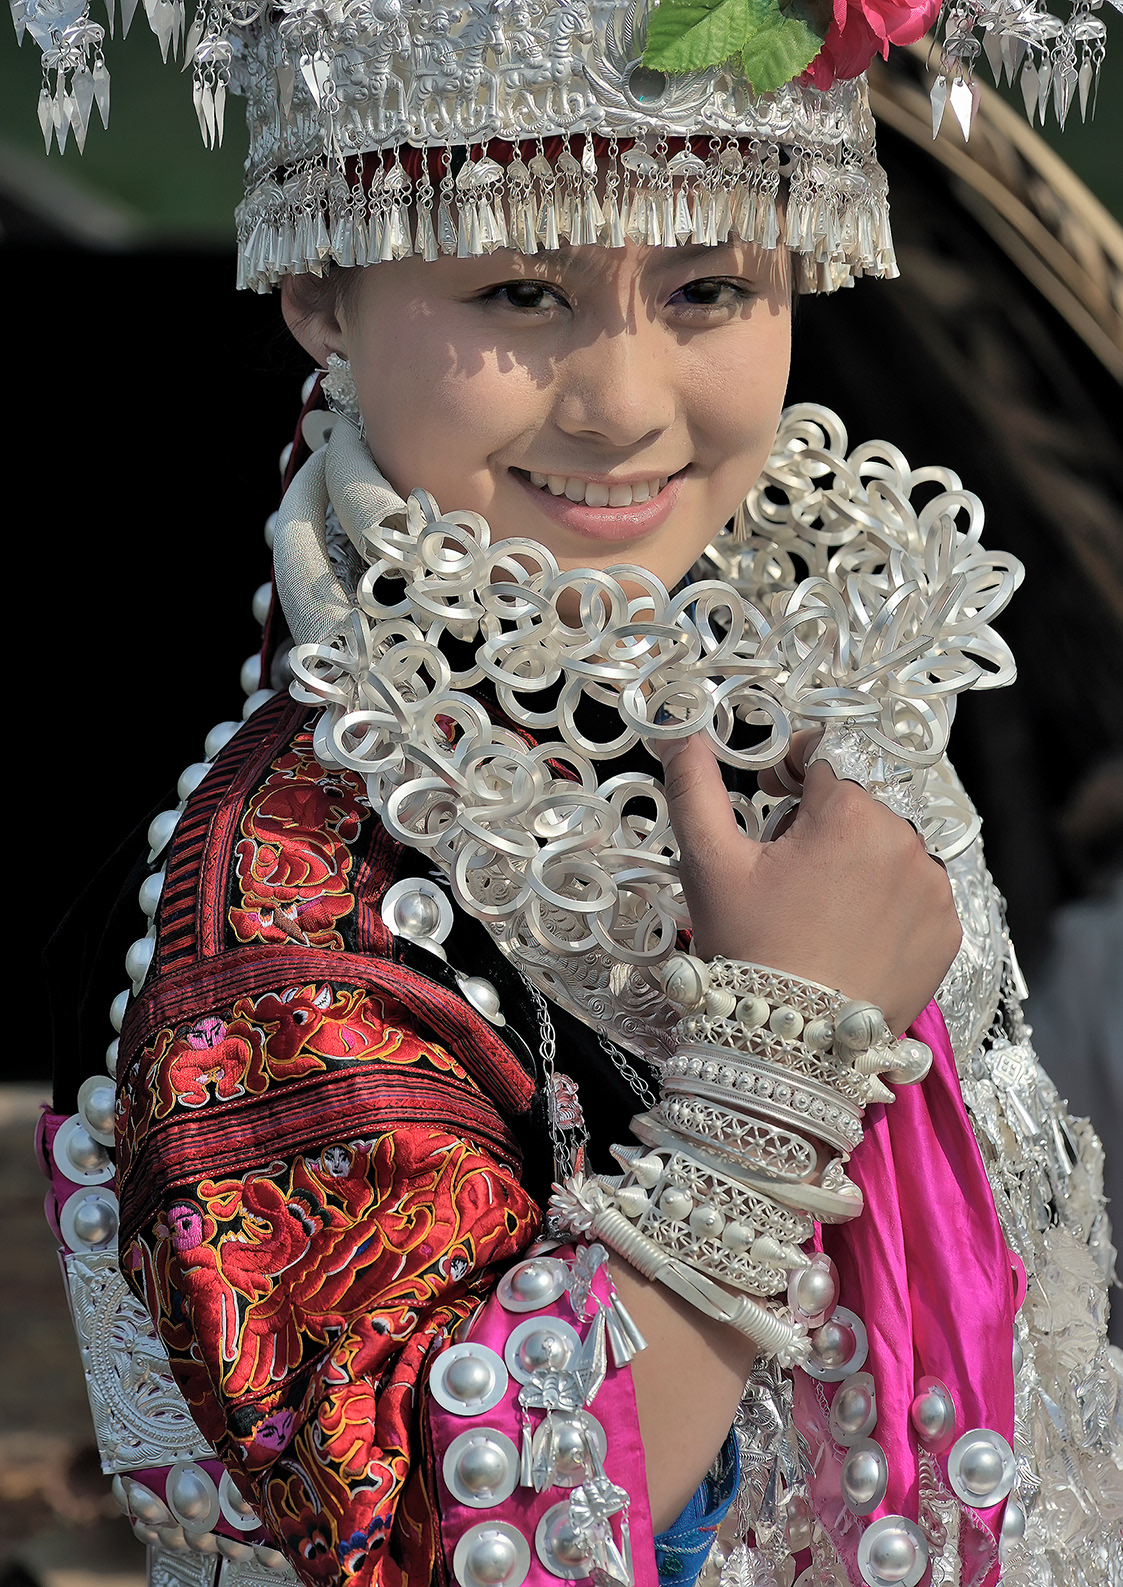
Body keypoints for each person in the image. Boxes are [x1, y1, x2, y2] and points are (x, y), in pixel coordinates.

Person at [24, 0, 1121, 1585]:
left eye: (707, 287)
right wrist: (774, 1075)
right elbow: (424, 1545)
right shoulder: (286, 909)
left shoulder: (829, 715)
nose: (623, 404)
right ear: (322, 289)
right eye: (522, 287)